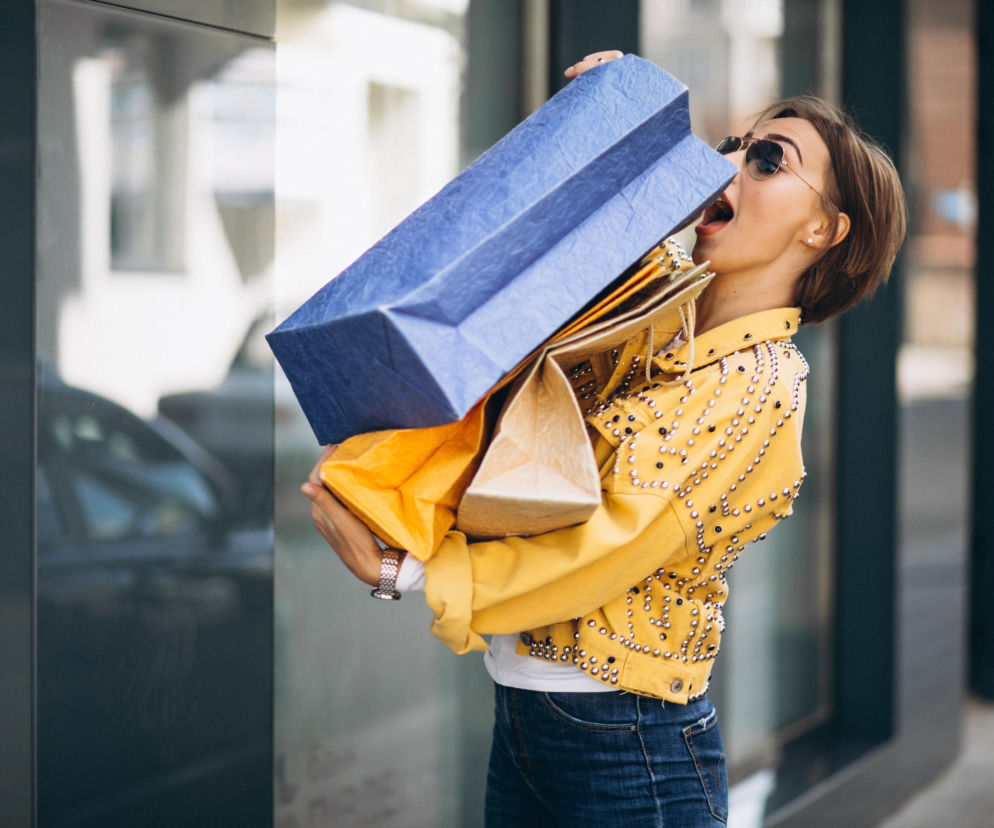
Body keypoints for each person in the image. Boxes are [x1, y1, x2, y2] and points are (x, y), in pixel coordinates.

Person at [299, 50, 906, 826]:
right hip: (530, 719)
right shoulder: (650, 306)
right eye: (732, 145)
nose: (729, 161)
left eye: (766, 160)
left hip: (631, 747)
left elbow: (611, 543)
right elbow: (550, 257)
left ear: (824, 227)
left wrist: (413, 574)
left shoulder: (759, 381)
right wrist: (613, 117)